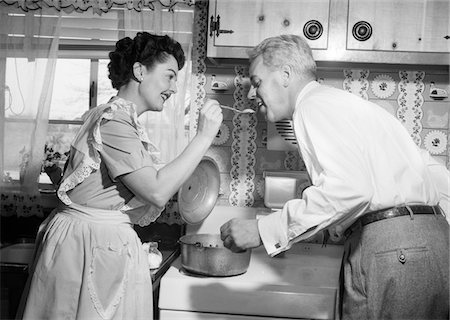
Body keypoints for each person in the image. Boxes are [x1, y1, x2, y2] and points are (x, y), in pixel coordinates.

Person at [220, 34, 449, 320]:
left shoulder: (311, 106)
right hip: (429, 244)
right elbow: (434, 173)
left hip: (394, 249)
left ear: (286, 74)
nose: (253, 94)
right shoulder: (351, 106)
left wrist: (263, 230)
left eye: (257, 82)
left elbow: (351, 189)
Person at [18, 32, 222, 319]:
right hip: (89, 245)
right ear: (140, 71)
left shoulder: (115, 117)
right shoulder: (114, 120)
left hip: (89, 241)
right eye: (169, 76)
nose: (174, 88)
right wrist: (204, 136)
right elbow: (156, 191)